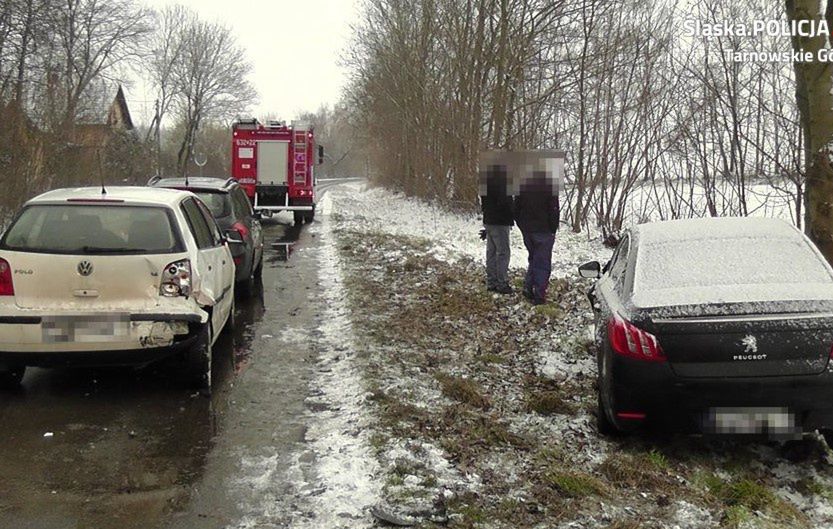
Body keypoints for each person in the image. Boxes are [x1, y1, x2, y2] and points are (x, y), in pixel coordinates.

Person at [514, 170, 560, 305]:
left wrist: (522, 225)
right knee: (543, 263)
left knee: (533, 258)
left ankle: (528, 288)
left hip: (528, 230)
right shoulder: (550, 186)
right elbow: (554, 210)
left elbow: (516, 208)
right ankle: (539, 295)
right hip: (544, 230)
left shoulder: (522, 185)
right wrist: (553, 228)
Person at [480, 164, 514, 294]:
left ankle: (491, 281)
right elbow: (506, 203)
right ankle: (502, 283)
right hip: (500, 222)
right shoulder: (503, 184)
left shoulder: (486, 183)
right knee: (503, 253)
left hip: (489, 220)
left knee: (492, 252)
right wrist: (512, 215)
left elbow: (484, 204)